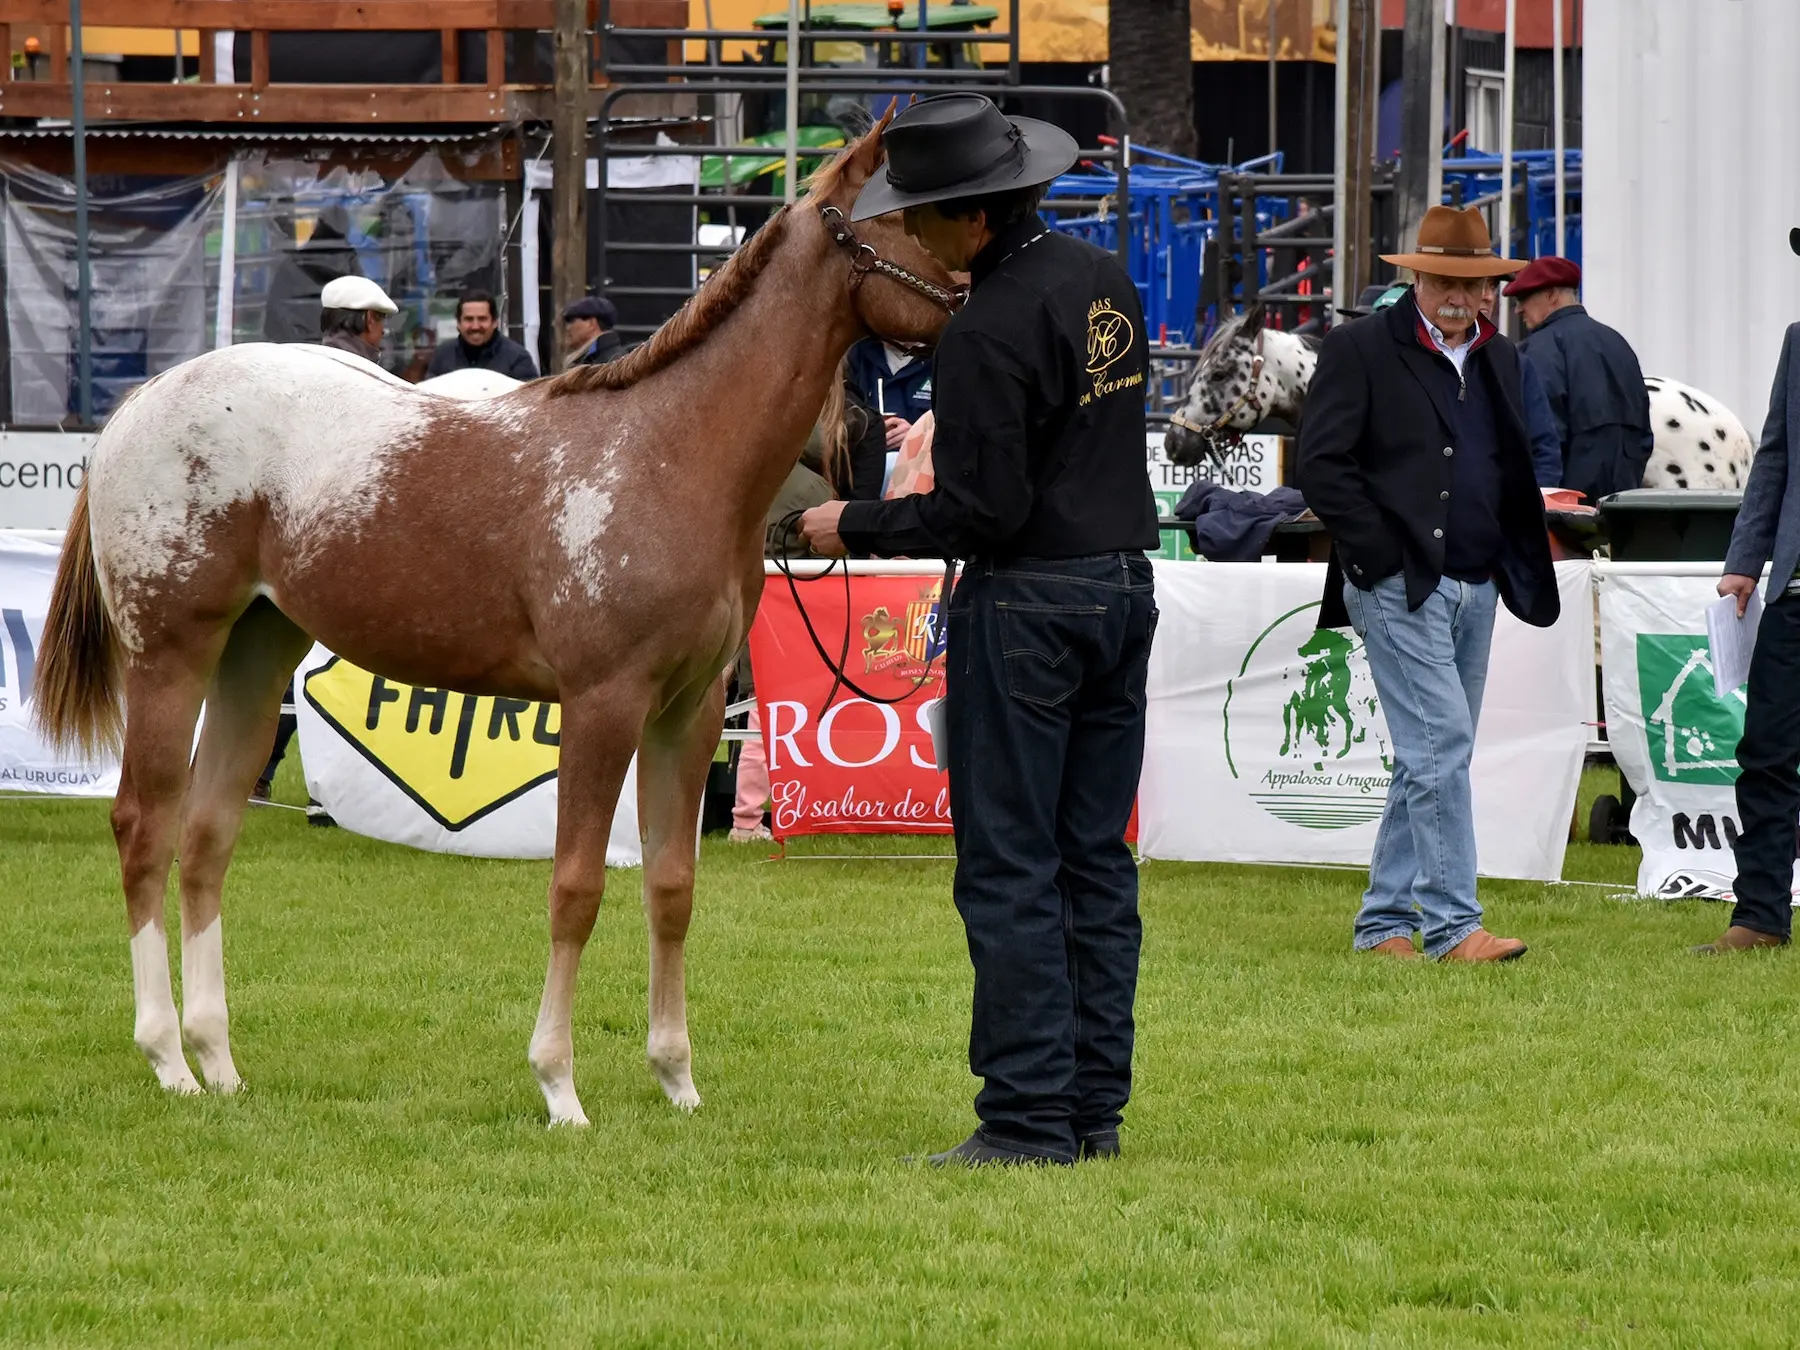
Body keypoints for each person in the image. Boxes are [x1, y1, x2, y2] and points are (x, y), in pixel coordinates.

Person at [798, 94, 1160, 1167]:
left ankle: (1025, 1118)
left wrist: (851, 518)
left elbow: (980, 513)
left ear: (972, 220)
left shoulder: (986, 330)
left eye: (919, 218)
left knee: (1007, 867)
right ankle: (1093, 1108)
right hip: (1121, 590)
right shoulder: (1102, 281)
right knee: (1094, 860)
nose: (907, 237)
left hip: (1029, 603)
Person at [1298, 205, 1560, 964]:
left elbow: (1515, 460)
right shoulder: (1358, 350)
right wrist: (1376, 554)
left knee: (1432, 753)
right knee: (1441, 744)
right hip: (1396, 582)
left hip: (1478, 580)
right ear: (1416, 275)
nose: (1457, 294)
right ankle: (1453, 927)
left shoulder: (1502, 357)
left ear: (1489, 288)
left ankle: (1383, 924)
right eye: (1444, 278)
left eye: (1472, 282)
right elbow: (1322, 465)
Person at [1701, 231, 1800, 954]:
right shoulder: (1798, 342)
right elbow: (1773, 459)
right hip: (1795, 591)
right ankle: (1761, 916)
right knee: (1765, 753)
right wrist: (1745, 560)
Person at [1503, 256, 1652, 500]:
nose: (1518, 309)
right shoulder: (1618, 343)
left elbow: (1543, 439)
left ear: (1551, 295)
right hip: (1621, 507)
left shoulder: (1539, 350)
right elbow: (1644, 434)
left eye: (1523, 299)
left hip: (1566, 511)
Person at [426, 289, 539, 380]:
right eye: (469, 319)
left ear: (495, 322)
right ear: (458, 323)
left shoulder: (517, 357)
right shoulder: (442, 355)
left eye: (482, 319)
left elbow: (531, 401)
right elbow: (428, 398)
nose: (475, 326)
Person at [846, 336, 933, 454]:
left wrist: (917, 437)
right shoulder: (855, 355)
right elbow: (835, 421)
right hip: (864, 463)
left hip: (918, 464)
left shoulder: (944, 359)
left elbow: (956, 432)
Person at [316, 274, 397, 364]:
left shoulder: (311, 363)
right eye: (382, 317)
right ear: (370, 319)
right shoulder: (362, 372)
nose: (383, 331)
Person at [562, 295, 626, 369]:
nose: (567, 328)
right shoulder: (593, 357)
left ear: (591, 323)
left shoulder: (610, 361)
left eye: (571, 320)